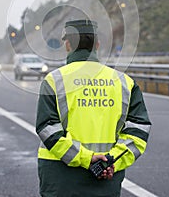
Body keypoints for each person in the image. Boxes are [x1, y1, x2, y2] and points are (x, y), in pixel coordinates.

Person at [36, 19, 151, 197]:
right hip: (105, 174)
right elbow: (138, 130)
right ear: (97, 45)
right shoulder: (124, 83)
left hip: (60, 176)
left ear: (67, 45)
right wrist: (112, 161)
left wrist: (87, 159)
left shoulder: (54, 80)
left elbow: (48, 130)